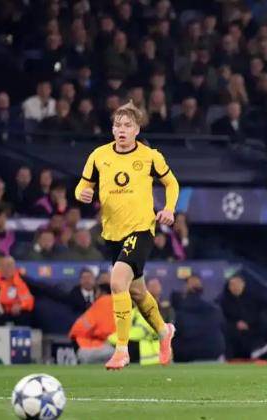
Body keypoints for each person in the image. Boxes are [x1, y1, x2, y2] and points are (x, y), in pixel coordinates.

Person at [74, 101, 179, 369]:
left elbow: (171, 183)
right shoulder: (99, 156)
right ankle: (164, 331)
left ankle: (121, 350)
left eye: (127, 125)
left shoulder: (150, 156)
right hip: (112, 233)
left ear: (136, 130)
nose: (122, 130)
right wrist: (82, 193)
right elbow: (82, 186)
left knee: (118, 281)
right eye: (118, 125)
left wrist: (169, 208)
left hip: (141, 228)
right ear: (112, 129)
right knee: (138, 292)